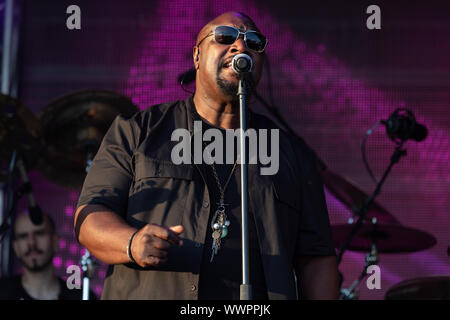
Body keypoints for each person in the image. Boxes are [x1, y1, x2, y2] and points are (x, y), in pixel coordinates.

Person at [74, 11, 339, 300]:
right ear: (197, 56)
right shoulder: (138, 132)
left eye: (254, 42)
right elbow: (90, 217)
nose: (241, 47)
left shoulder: (292, 154)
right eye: (225, 37)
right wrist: (132, 242)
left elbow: (317, 258)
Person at [0, 212, 95, 300]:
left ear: (55, 241)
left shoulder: (81, 296)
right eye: (23, 236)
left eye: (39, 233)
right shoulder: (2, 292)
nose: (32, 243)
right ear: (15, 247)